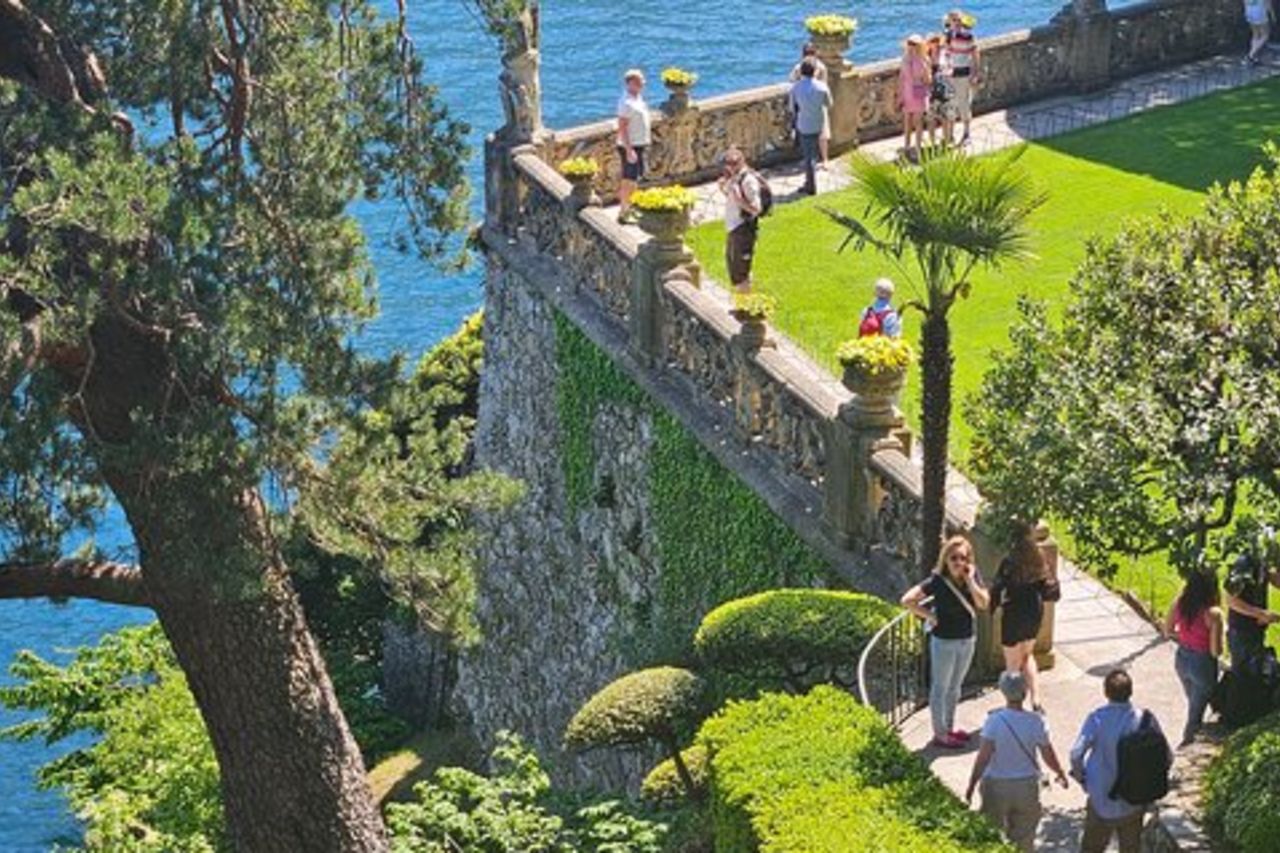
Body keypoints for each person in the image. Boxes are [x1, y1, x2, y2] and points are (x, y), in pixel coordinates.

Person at [965, 672, 1070, 853]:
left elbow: (983, 758)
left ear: (1004, 692)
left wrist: (971, 785)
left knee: (991, 834)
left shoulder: (993, 721)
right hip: (1027, 786)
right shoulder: (1036, 721)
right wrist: (1060, 772)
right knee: (1024, 837)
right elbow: (1048, 754)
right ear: (1025, 692)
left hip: (996, 786)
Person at [901, 535, 990, 749]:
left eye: (963, 558)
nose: (958, 562)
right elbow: (907, 600)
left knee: (955, 687)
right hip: (944, 642)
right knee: (940, 688)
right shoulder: (937, 581)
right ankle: (940, 734)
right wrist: (929, 616)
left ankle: (949, 728)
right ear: (945, 558)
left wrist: (969, 580)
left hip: (967, 639)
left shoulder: (973, 576)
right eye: (954, 558)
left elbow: (984, 603)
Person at [1070, 670, 1165, 853]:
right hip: (1134, 798)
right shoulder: (1145, 719)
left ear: (1106, 692)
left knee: (1092, 848)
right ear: (1131, 691)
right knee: (1131, 848)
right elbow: (1166, 757)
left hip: (1101, 796)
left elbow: (1076, 754)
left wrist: (1082, 778)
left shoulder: (1097, 718)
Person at [989, 523, 1060, 714]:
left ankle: (1012, 705)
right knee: (1028, 656)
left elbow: (997, 587)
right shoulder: (1039, 558)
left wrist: (990, 606)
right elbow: (1049, 588)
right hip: (1033, 611)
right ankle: (1036, 699)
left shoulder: (1010, 561)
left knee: (1012, 663)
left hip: (1014, 611)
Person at [1162, 568, 1224, 746]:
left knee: (1194, 702)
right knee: (1196, 711)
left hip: (1182, 658)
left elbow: (1168, 631)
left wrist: (1184, 637)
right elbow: (1215, 651)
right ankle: (1187, 743)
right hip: (1202, 662)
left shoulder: (1180, 603)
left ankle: (1192, 738)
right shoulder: (1213, 614)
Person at [1224, 527, 1280, 670]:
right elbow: (1230, 599)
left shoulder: (1263, 562)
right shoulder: (1244, 564)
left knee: (1256, 674)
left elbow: (1274, 579)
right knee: (1244, 677)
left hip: (1256, 629)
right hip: (1241, 632)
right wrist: (1261, 614)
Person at [718, 147, 763, 293]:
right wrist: (724, 189)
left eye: (732, 164)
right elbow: (733, 199)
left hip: (743, 229)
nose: (729, 168)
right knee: (734, 267)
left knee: (741, 271)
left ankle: (746, 306)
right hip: (733, 227)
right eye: (728, 164)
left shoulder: (748, 180)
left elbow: (756, 209)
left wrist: (739, 199)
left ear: (740, 162)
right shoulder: (735, 178)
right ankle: (744, 302)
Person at [789, 59, 832, 196]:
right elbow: (829, 103)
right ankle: (809, 182)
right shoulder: (822, 87)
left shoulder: (795, 88)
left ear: (801, 72)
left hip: (803, 124)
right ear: (815, 71)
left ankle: (811, 186)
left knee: (809, 157)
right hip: (818, 122)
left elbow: (792, 108)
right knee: (812, 153)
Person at [615, 69, 652, 225]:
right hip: (630, 146)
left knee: (635, 178)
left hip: (639, 144)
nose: (642, 83)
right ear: (630, 83)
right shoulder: (626, 103)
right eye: (639, 81)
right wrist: (629, 149)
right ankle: (624, 211)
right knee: (628, 179)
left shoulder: (637, 98)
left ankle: (632, 207)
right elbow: (622, 127)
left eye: (642, 81)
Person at [944, 12, 981, 146]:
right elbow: (946, 54)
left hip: (964, 73)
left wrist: (975, 73)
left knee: (964, 104)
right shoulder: (948, 36)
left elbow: (975, 54)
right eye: (954, 20)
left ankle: (966, 134)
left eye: (958, 20)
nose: (956, 22)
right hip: (951, 75)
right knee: (951, 105)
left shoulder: (968, 36)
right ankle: (950, 136)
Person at [899, 34, 931, 163]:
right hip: (907, 92)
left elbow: (928, 80)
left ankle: (917, 148)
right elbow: (901, 78)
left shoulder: (924, 59)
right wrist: (899, 95)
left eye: (914, 44)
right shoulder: (905, 59)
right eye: (909, 44)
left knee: (918, 122)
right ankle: (907, 147)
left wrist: (923, 73)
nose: (911, 47)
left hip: (919, 91)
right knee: (907, 121)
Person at [926, 33, 955, 147]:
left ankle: (946, 139)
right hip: (931, 90)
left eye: (937, 42)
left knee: (945, 116)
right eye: (933, 42)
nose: (936, 45)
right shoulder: (926, 57)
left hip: (945, 89)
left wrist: (946, 73)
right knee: (931, 117)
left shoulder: (945, 54)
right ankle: (932, 142)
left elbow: (951, 68)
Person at [1244, 0, 1273, 64]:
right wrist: (1271, 14)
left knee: (1255, 34)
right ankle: (1250, 55)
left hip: (1249, 10)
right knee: (1265, 35)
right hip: (1259, 11)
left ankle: (1253, 57)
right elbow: (1267, 3)